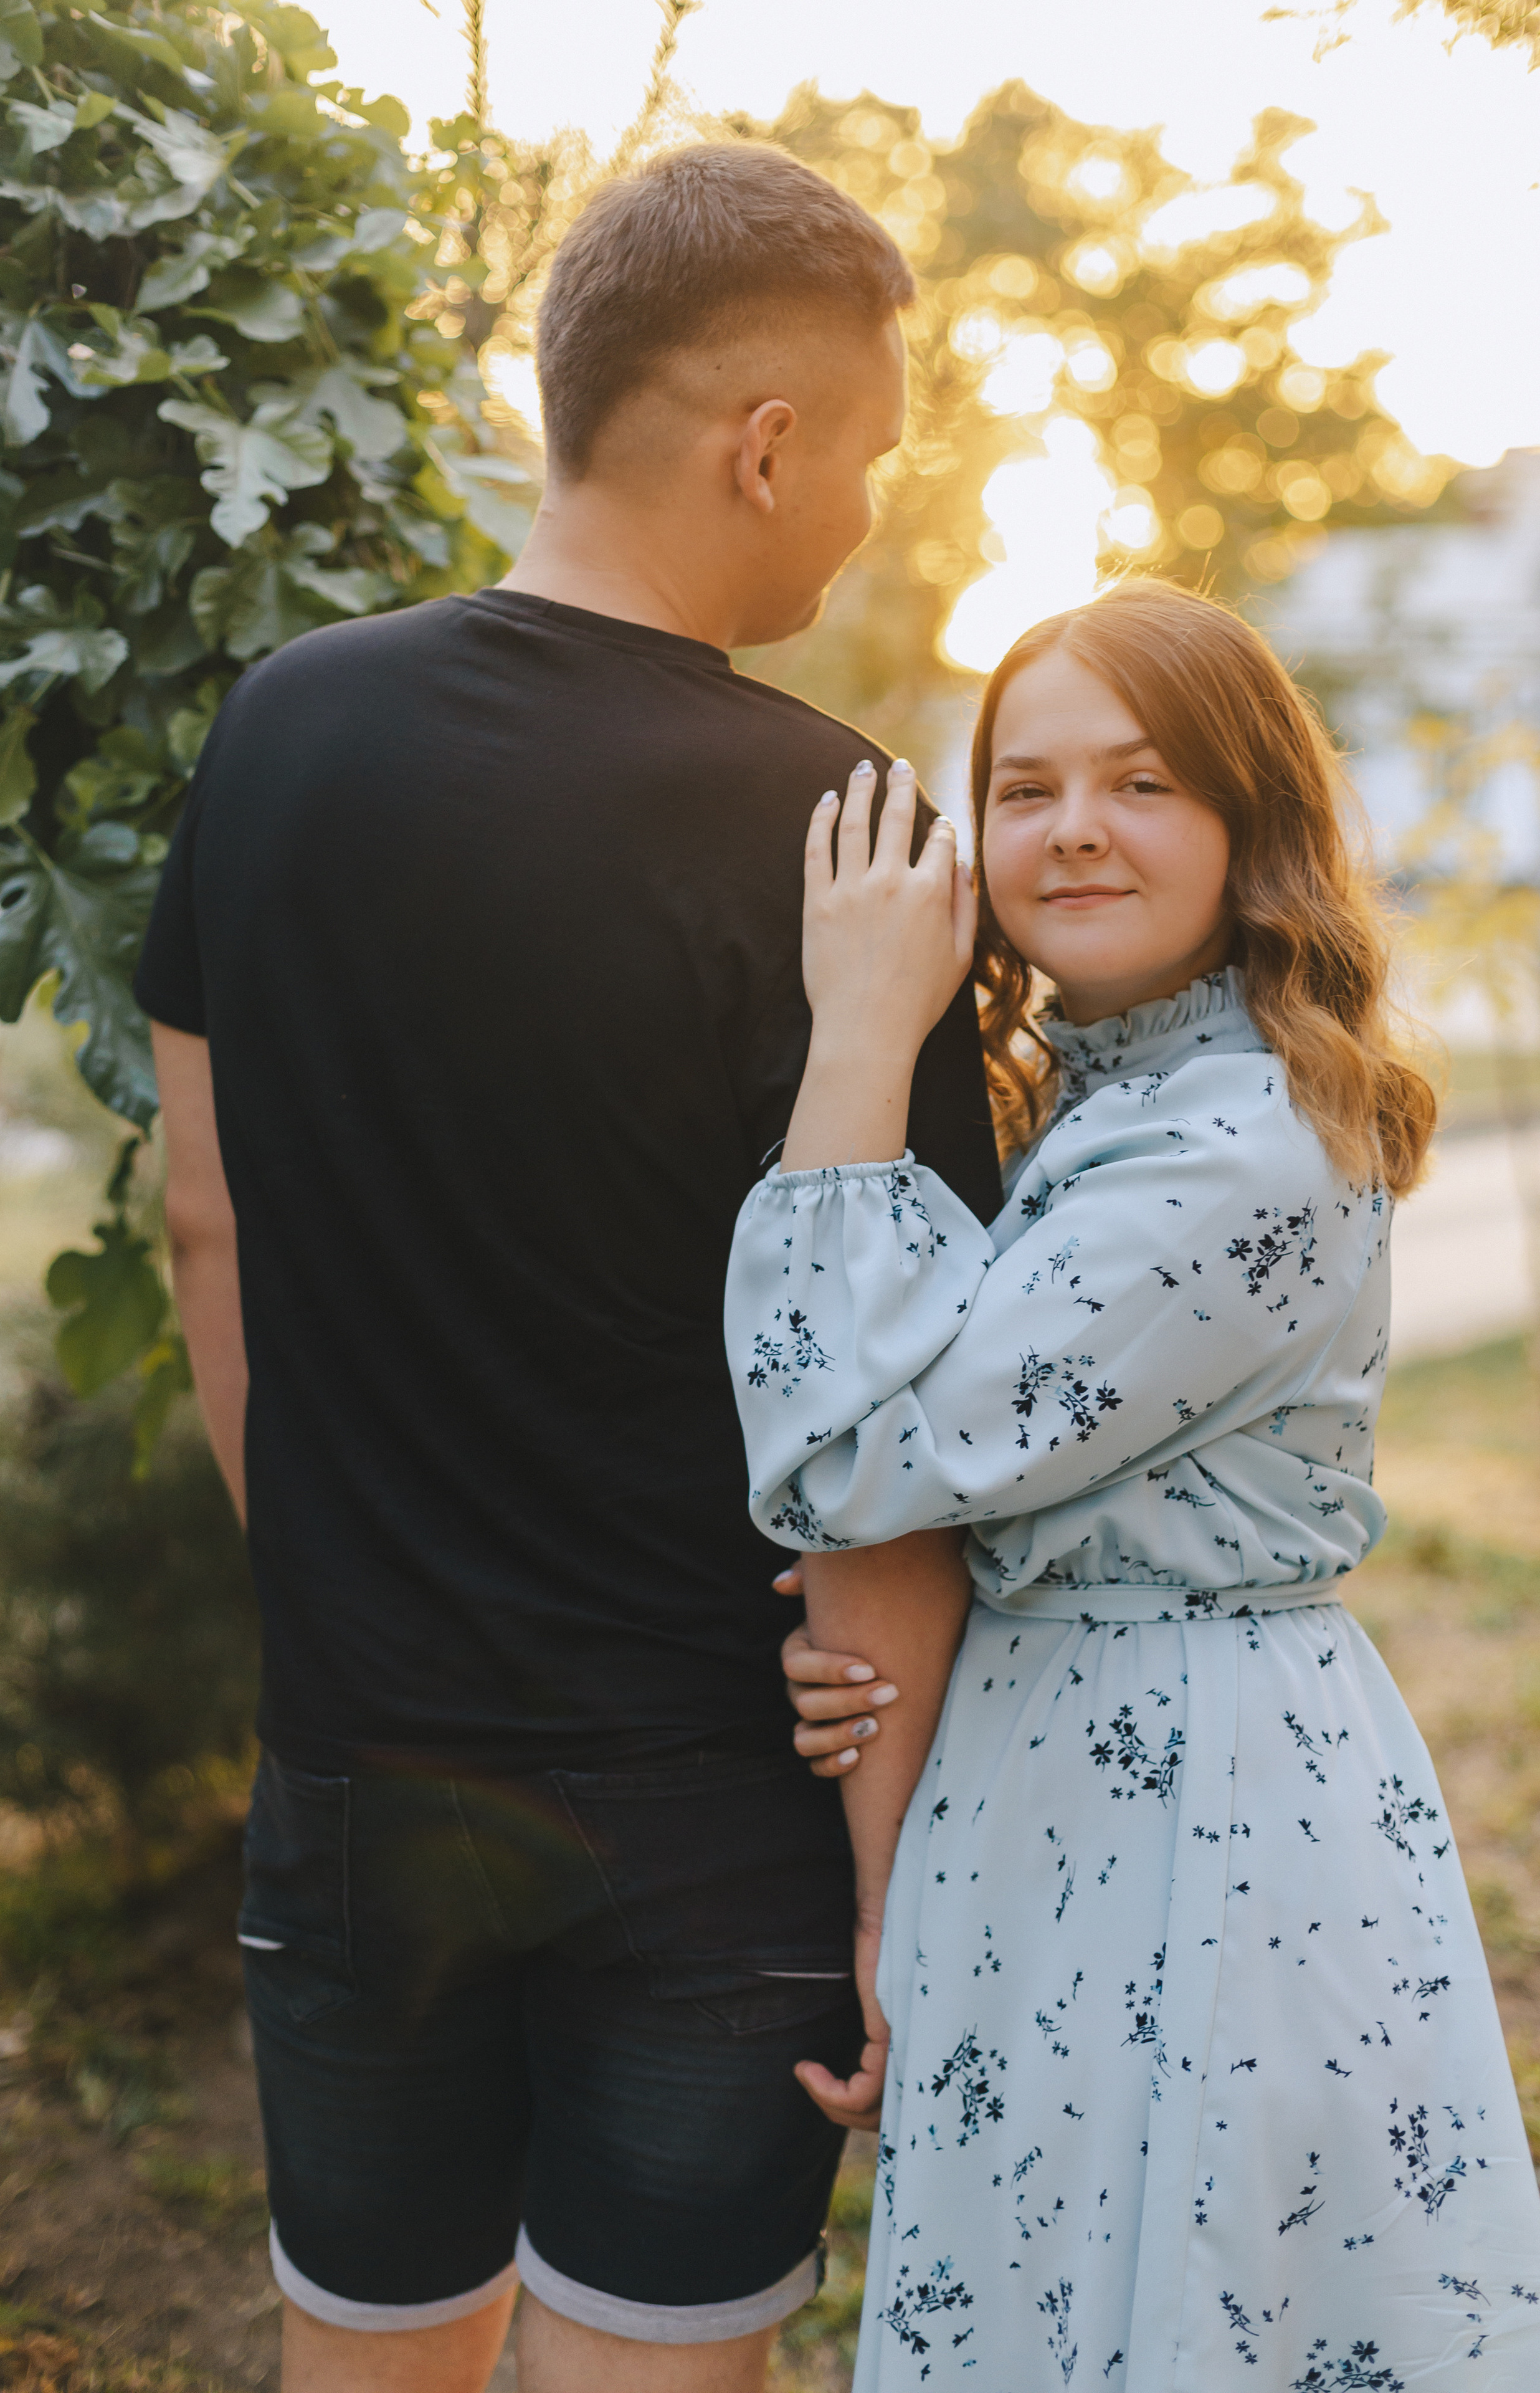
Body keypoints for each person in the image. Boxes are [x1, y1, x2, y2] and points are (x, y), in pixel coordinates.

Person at [135, 143, 1001, 2393]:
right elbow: (883, 1406)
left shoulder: (277, 738)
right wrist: (901, 1886)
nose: (870, 516)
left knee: (372, 2351)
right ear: (766, 439)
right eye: (875, 460)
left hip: (355, 1767)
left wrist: (332, 1596)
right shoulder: (849, 833)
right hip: (714, 1800)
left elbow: (202, 1213)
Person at [722, 580, 1540, 2389]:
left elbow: (853, 1458)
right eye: (1026, 787)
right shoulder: (1112, 1101)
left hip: (1197, 1804)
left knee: (1186, 2299)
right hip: (1078, 1765)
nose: (1076, 826)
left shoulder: (1239, 1139)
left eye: (1145, 781)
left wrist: (855, 1035)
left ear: (1253, 829)